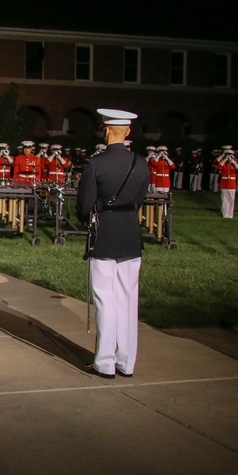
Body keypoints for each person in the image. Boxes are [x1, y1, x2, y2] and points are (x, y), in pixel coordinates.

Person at [76, 108, 150, 379]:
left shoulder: (95, 163)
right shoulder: (141, 163)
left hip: (104, 233)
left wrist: (90, 220)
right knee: (129, 300)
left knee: (105, 299)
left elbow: (84, 206)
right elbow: (141, 198)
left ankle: (105, 362)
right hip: (130, 232)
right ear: (128, 131)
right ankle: (126, 362)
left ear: (106, 130)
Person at [216, 147, 238, 218]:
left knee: (231, 200)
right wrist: (225, 159)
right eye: (227, 154)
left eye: (230, 154)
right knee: (224, 199)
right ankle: (225, 214)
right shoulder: (224, 162)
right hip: (224, 183)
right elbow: (219, 167)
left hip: (232, 183)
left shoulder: (235, 161)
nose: (229, 156)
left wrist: (234, 162)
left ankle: (230, 214)